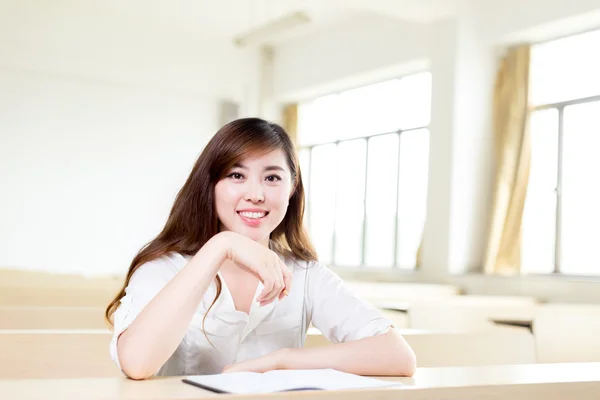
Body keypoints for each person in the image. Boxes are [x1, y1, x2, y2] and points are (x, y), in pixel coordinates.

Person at [105, 117, 416, 380]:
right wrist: (221, 246)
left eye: (271, 177)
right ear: (210, 185)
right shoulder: (162, 269)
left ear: (292, 188)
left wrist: (281, 361)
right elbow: (137, 364)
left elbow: (398, 356)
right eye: (236, 175)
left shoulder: (307, 275)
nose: (255, 194)